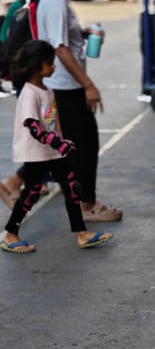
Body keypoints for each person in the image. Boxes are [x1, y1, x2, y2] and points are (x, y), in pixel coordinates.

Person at [0, 40, 113, 253]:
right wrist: (57, 142)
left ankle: (82, 233)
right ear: (36, 66)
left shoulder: (47, 90)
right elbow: (33, 126)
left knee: (72, 187)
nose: (53, 67)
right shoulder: (29, 93)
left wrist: (62, 139)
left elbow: (51, 121)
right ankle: (10, 234)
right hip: (35, 152)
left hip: (53, 150)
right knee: (31, 192)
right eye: (50, 63)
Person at [36, 0, 122, 223]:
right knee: (84, 142)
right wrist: (89, 85)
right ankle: (87, 204)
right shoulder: (56, 3)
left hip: (65, 83)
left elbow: (60, 37)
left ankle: (21, 183)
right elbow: (59, 48)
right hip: (65, 84)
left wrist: (84, 33)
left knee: (70, 143)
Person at [0, 0, 55, 208]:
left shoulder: (24, 3)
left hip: (26, 76)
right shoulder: (40, 4)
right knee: (45, 136)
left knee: (45, 136)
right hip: (33, 79)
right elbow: (42, 44)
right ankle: (15, 183)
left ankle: (37, 181)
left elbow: (6, 36)